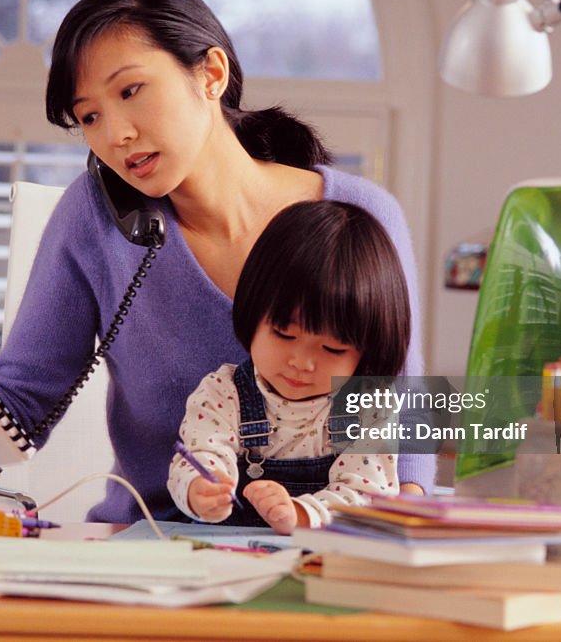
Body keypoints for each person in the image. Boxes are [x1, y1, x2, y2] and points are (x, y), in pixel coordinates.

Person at [0, 0, 434, 522]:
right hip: (153, 538)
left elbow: (404, 419)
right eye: (88, 117)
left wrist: (407, 536)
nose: (117, 134)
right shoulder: (90, 221)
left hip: (330, 536)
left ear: (211, 74)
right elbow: (16, 410)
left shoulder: (360, 216)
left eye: (131, 91)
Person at [169, 200, 426, 534]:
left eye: (332, 348)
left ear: (368, 350)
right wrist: (200, 489)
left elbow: (367, 496)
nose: (301, 363)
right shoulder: (223, 392)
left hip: (326, 562)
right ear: (253, 313)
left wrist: (300, 514)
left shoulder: (368, 407)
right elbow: (201, 452)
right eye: (284, 334)